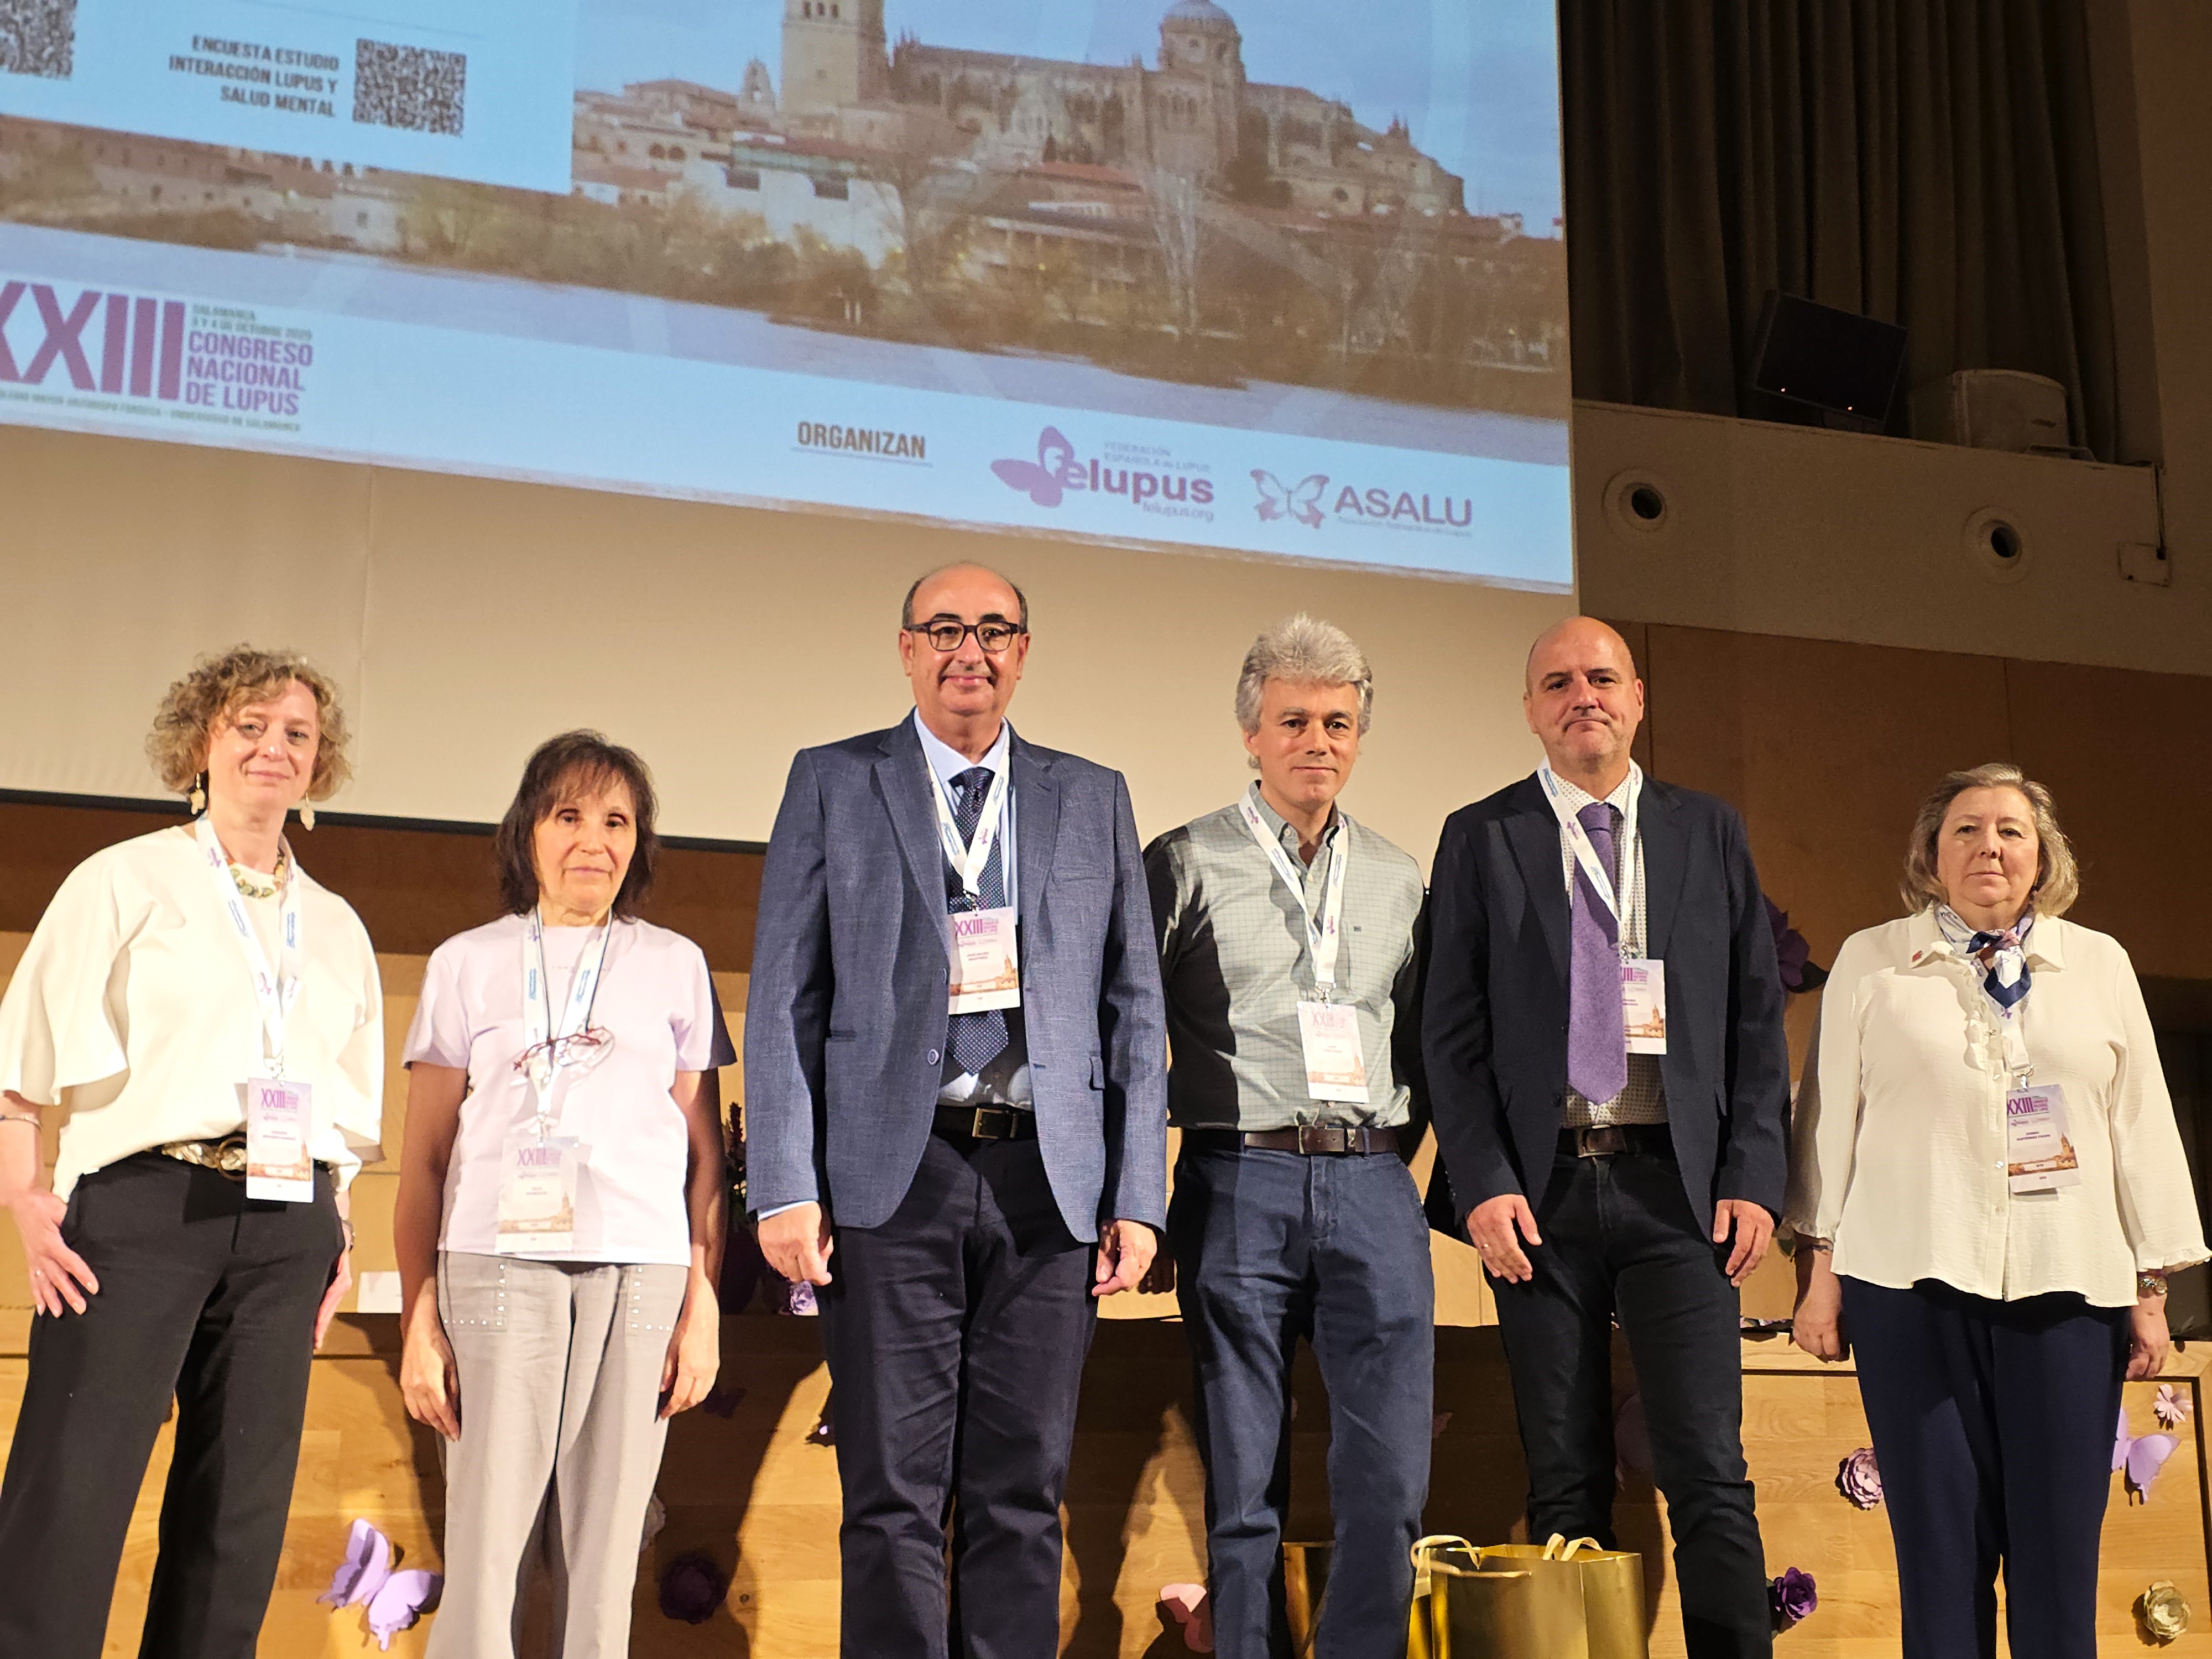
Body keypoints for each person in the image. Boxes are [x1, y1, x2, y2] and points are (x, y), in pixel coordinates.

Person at [744, 562, 1168, 1659]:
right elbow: (784, 992)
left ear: (1022, 652)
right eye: (943, 629)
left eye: (991, 629)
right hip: (895, 1175)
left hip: (1049, 1180)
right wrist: (783, 1182)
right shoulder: (834, 780)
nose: (967, 650)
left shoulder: (1092, 795)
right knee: (891, 1494)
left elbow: (1133, 1007)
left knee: (1022, 1494)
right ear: (905, 649)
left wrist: (1137, 1195)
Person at [0, 646, 383, 1659]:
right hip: (142, 1210)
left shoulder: (336, 925)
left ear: (319, 761)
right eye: (249, 727)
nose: (273, 749)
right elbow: (19, 1063)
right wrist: (24, 1199)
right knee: (73, 1494)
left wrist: (339, 1230)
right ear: (201, 743)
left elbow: (345, 1101)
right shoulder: (124, 879)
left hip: (288, 1222)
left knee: (237, 1519)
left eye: (296, 734)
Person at [1423, 616, 1789, 1658]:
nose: (1581, 696)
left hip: (1680, 1190)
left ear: (1637, 698)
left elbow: (1755, 1021)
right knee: (1563, 1475)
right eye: (1557, 683)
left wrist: (1754, 1176)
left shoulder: (1707, 830)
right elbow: (1450, 1032)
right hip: (1536, 1196)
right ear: (1530, 710)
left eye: (1600, 677)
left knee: (1709, 1472)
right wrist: (1483, 1179)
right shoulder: (1481, 835)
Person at [1787, 763, 2206, 1659]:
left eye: (2012, 831)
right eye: (1967, 830)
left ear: (2042, 856)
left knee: (2059, 1557)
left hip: (2070, 1285)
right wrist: (1819, 1274)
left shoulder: (2098, 961)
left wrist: (2151, 1287)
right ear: (1931, 856)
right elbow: (1827, 1122)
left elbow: (2139, 1124)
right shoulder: (1872, 958)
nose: (1991, 846)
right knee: (1939, 1553)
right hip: (1908, 1283)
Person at [393, 731, 733, 1658]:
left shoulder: (677, 962)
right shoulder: (466, 962)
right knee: (487, 1546)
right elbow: (424, 1161)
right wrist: (418, 1319)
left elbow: (705, 1159)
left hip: (643, 1275)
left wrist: (703, 1302)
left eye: (617, 821)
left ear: (639, 842)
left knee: (606, 1554)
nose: (594, 839)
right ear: (528, 833)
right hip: (495, 1266)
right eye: (569, 815)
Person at [1146, 615, 1431, 1659]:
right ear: (1251, 735)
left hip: (1372, 1184)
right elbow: (1126, 1033)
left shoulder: (1398, 875)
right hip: (1239, 1178)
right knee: (1243, 1482)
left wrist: (1393, 1162)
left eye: (1338, 723)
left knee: (1389, 1481)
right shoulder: (1183, 860)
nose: (1318, 741)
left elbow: (1423, 1040)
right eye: (1295, 721)